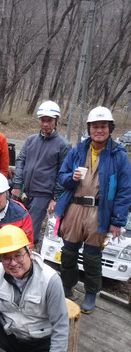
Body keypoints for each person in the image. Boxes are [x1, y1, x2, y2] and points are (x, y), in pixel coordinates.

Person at [55, 106, 131, 313]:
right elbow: (61, 177)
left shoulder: (119, 155)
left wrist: (117, 221)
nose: (99, 130)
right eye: (95, 126)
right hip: (74, 208)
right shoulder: (77, 150)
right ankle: (66, 286)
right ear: (89, 128)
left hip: (99, 211)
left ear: (110, 128)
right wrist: (71, 178)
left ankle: (91, 293)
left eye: (103, 126)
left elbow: (125, 191)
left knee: (92, 256)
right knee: (68, 251)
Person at [0, 225, 68, 352]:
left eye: (18, 255)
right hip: (8, 334)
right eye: (6, 257)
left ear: (29, 252)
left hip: (40, 340)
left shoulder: (50, 280)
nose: (13, 263)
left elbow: (61, 325)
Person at [11, 101, 71, 247]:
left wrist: (55, 198)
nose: (45, 124)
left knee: (30, 229)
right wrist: (17, 185)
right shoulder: (31, 140)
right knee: (12, 223)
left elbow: (62, 174)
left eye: (49, 120)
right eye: (43, 120)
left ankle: (28, 257)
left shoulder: (63, 145)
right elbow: (21, 162)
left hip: (42, 194)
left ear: (56, 121)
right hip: (23, 190)